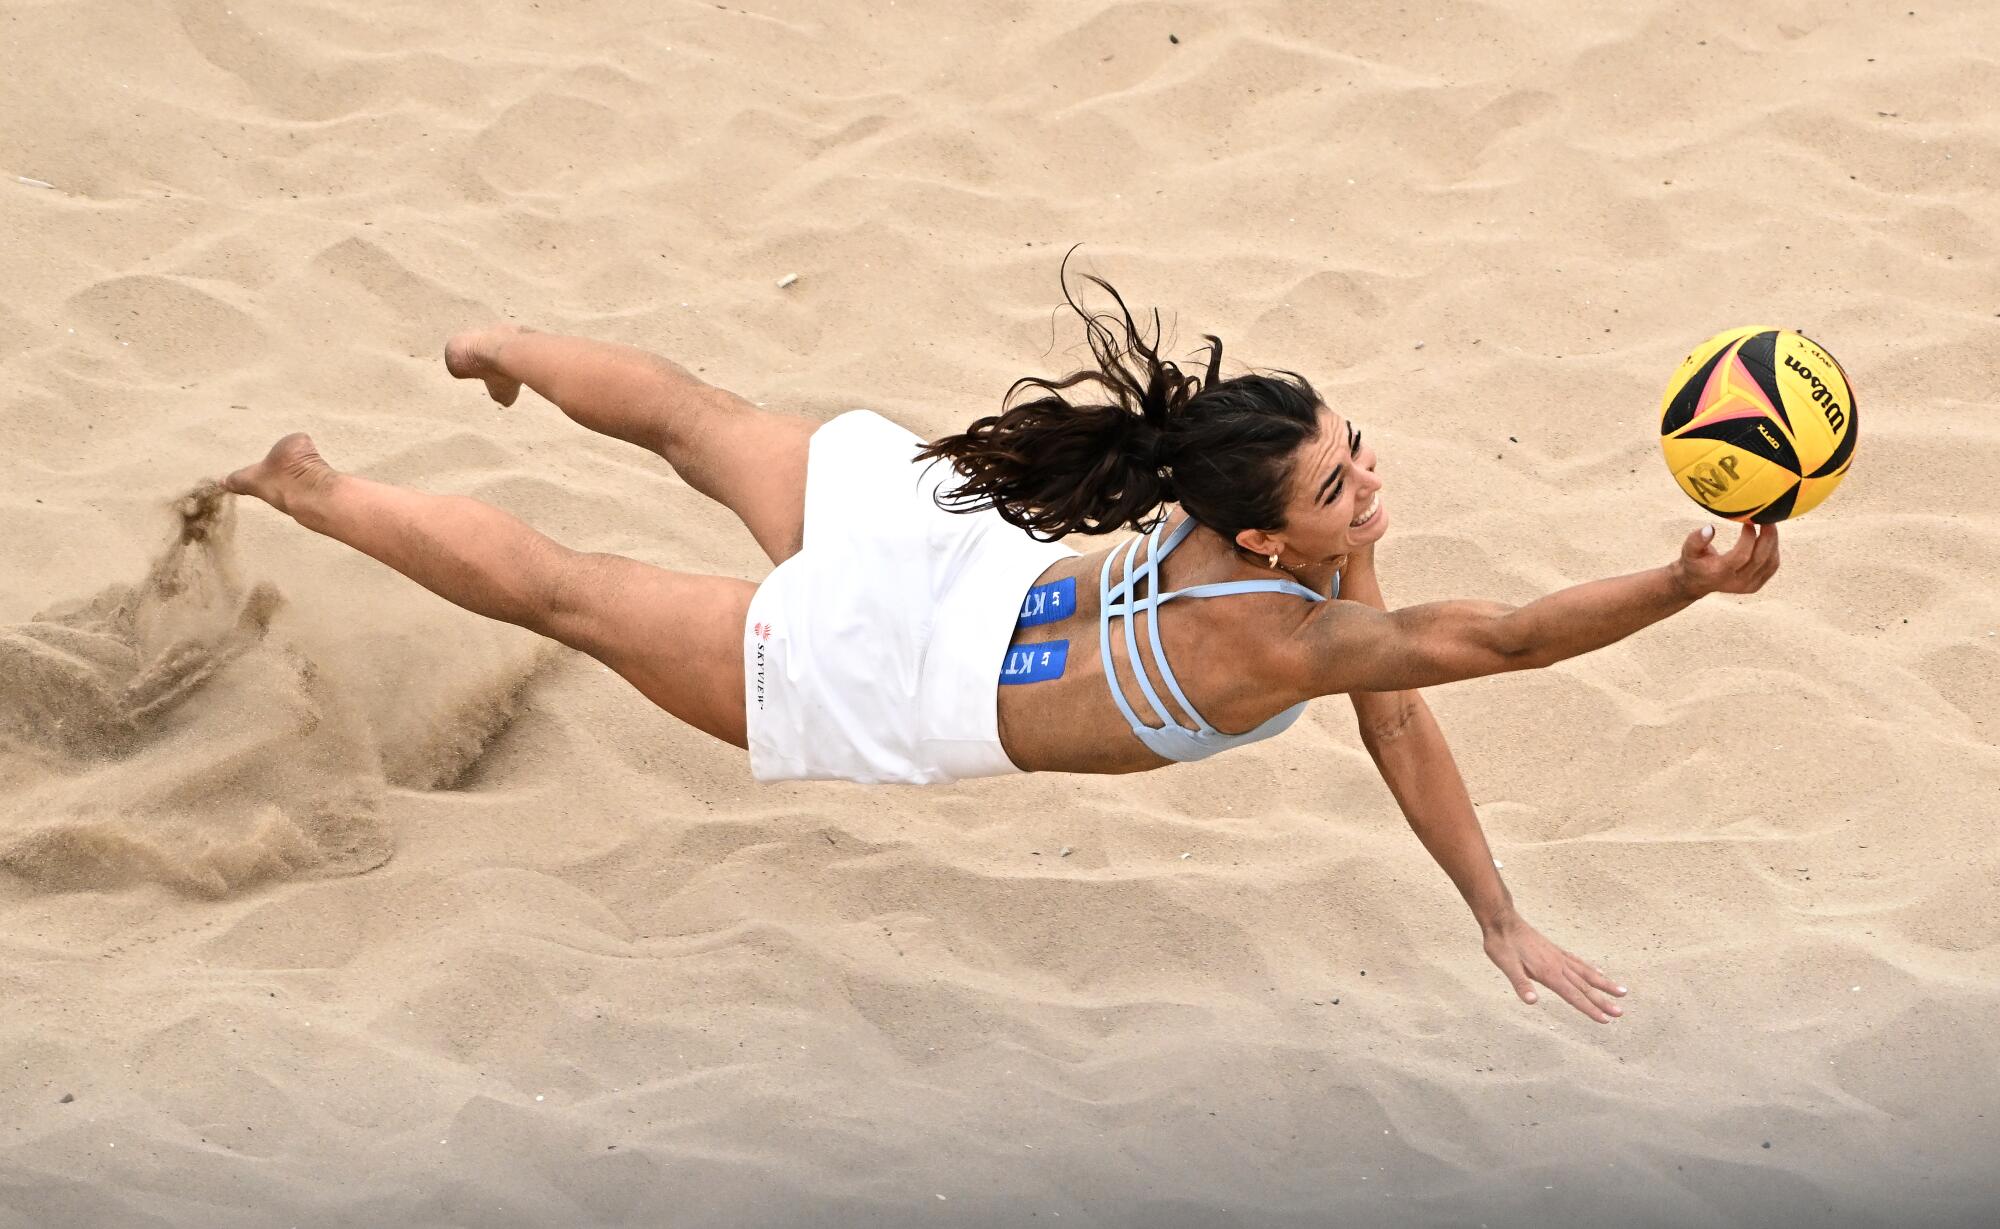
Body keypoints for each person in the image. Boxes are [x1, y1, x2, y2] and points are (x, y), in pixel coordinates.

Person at [224, 269, 1779, 1025]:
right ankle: (318, 487)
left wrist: (1491, 905)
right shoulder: (1288, 636)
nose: (1367, 479)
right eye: (1337, 474)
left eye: (1354, 449)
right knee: (569, 592)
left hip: (954, 547)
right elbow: (1489, 645)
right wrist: (1681, 582)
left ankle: (492, 346)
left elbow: (1408, 716)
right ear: (1265, 535)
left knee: (703, 422)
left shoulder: (1260, 531)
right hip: (898, 671)